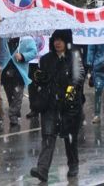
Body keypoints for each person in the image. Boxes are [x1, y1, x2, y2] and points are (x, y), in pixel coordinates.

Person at [30, 29, 84, 182]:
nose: (57, 43)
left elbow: (78, 79)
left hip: (70, 106)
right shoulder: (46, 59)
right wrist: (38, 76)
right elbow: (42, 80)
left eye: (61, 40)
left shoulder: (74, 57)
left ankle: (73, 165)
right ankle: (42, 169)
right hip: (50, 105)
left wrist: (69, 95)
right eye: (55, 40)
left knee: (69, 138)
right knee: (48, 136)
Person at [1, 34, 38, 128]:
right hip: (6, 72)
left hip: (19, 73)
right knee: (10, 96)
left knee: (17, 96)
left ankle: (12, 114)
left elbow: (34, 52)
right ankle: (15, 112)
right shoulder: (3, 38)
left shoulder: (27, 38)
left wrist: (22, 56)